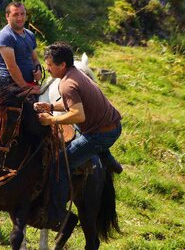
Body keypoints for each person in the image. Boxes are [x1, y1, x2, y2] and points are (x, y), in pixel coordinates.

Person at [34, 41, 123, 228]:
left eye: (50, 65)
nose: (47, 69)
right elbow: (73, 104)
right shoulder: (74, 75)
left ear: (62, 65)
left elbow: (78, 114)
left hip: (101, 134)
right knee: (74, 133)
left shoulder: (68, 84)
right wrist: (50, 107)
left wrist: (51, 119)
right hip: (107, 125)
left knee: (59, 163)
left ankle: (55, 211)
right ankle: (107, 158)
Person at [0, 1, 42, 93]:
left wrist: (38, 70)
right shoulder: (5, 36)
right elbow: (11, 66)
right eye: (15, 14)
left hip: (28, 83)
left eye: (22, 14)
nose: (20, 18)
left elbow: (35, 59)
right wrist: (26, 87)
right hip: (9, 85)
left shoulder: (30, 34)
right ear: (7, 16)